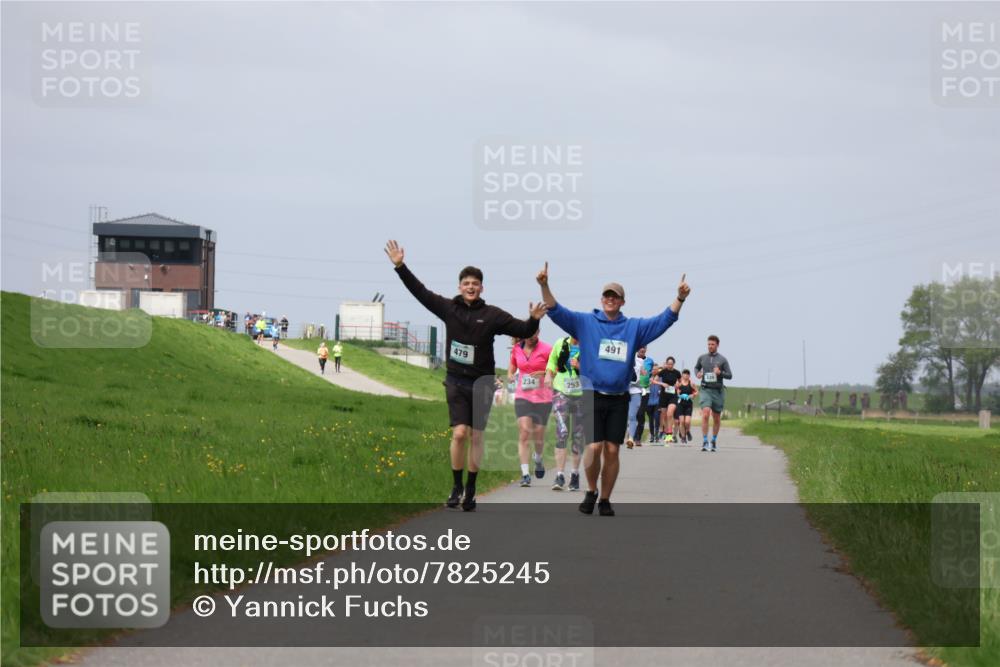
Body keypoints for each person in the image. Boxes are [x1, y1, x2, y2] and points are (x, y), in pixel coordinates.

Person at [386, 239, 546, 512]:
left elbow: (520, 327)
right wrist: (400, 266)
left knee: (476, 436)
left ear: (481, 287)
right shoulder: (449, 308)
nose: (470, 287)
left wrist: (533, 320)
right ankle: (456, 485)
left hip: (482, 383)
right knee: (460, 433)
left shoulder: (492, 315)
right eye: (466, 283)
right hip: (456, 381)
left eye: (475, 283)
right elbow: (420, 292)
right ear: (460, 287)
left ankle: (471, 488)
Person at [538, 262, 689, 516]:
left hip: (619, 397)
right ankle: (590, 490)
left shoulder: (633, 328)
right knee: (594, 447)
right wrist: (544, 285)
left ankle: (605, 498)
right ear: (601, 299)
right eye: (607, 295)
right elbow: (555, 310)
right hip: (592, 395)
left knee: (611, 449)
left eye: (615, 297)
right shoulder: (585, 322)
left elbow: (664, 321)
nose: (610, 299)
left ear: (622, 302)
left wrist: (680, 298)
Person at [509, 331, 553, 487]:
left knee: (539, 436)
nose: (532, 336)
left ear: (539, 332)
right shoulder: (516, 349)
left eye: (534, 333)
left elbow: (555, 369)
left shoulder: (548, 349)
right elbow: (512, 366)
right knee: (525, 432)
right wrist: (510, 375)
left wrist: (544, 373)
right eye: (528, 333)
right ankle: (525, 474)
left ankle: (538, 458)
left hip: (543, 397)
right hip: (523, 396)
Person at [545, 335, 585, 490]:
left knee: (577, 435)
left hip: (581, 394)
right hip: (561, 391)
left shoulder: (589, 346)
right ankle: (559, 475)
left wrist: (579, 367)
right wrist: (548, 375)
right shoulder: (560, 343)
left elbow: (595, 370)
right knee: (562, 432)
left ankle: (574, 474)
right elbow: (552, 361)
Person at [695, 335, 733, 452]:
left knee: (716, 417)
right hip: (705, 389)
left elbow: (730, 375)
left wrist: (720, 372)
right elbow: (696, 368)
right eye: (709, 344)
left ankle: (714, 440)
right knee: (705, 413)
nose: (710, 346)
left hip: (718, 391)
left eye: (712, 344)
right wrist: (698, 374)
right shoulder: (702, 357)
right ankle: (705, 441)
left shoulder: (722, 359)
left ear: (717, 345)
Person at [626, 347, 653, 448]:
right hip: (624, 391)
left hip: (637, 391)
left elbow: (644, 374)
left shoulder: (643, 362)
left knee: (634, 416)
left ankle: (631, 439)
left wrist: (644, 373)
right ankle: (626, 435)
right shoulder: (626, 358)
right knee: (627, 416)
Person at [654, 356, 682, 444]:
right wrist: (662, 383)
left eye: (671, 364)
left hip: (673, 396)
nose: (670, 365)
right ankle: (666, 432)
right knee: (665, 416)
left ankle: (669, 434)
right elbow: (654, 381)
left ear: (674, 364)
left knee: (670, 414)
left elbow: (681, 382)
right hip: (663, 396)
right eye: (668, 364)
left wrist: (678, 384)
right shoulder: (663, 371)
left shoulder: (677, 373)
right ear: (666, 364)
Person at [675, 369, 698, 443]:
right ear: (682, 375)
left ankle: (687, 431)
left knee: (687, 422)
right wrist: (678, 393)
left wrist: (693, 395)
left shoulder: (691, 383)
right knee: (681, 421)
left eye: (687, 374)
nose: (686, 375)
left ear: (689, 375)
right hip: (680, 404)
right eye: (684, 374)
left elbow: (697, 392)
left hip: (688, 404)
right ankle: (683, 437)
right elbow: (675, 392)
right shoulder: (679, 383)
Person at [643, 371, 661, 444]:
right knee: (651, 419)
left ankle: (656, 435)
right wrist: (649, 383)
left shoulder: (660, 379)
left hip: (657, 402)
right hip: (649, 402)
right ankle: (652, 435)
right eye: (652, 370)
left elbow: (664, 388)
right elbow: (644, 387)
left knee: (657, 418)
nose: (654, 371)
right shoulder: (647, 379)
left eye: (655, 370)